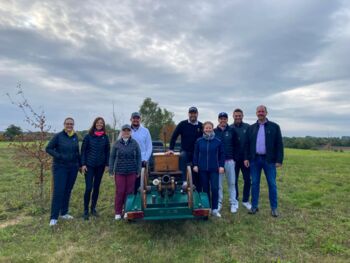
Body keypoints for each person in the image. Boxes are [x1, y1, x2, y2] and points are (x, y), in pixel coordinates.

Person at [244, 105, 284, 217]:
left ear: (266, 113)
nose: (260, 113)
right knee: (255, 183)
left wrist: (279, 160)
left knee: (272, 184)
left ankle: (274, 208)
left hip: (269, 160)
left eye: (262, 111)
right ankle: (254, 206)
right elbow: (247, 145)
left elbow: (279, 145)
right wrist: (246, 158)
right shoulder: (251, 128)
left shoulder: (275, 127)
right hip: (255, 160)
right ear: (256, 113)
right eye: (259, 111)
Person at [46, 117, 81, 226]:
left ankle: (64, 212)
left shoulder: (75, 137)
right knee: (59, 191)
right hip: (60, 167)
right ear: (64, 124)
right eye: (67, 124)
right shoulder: (58, 136)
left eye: (71, 124)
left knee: (68, 190)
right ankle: (54, 217)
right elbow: (48, 148)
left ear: (73, 125)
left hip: (73, 168)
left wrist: (79, 165)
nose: (69, 126)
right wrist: (59, 156)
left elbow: (76, 152)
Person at [109, 124, 141, 220]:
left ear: (130, 132)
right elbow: (112, 157)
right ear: (121, 132)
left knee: (129, 192)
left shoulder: (135, 143)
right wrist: (111, 170)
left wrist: (138, 169)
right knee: (120, 191)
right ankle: (118, 212)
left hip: (132, 171)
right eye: (124, 130)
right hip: (120, 171)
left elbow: (139, 156)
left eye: (128, 131)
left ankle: (127, 210)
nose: (126, 132)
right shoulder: (117, 144)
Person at [81, 117, 110, 220]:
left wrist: (107, 164)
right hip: (89, 166)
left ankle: (93, 208)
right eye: (98, 123)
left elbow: (107, 152)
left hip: (100, 166)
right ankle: (85, 210)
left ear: (103, 125)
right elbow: (83, 151)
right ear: (94, 124)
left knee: (96, 188)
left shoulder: (105, 137)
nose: (99, 124)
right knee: (89, 188)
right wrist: (83, 164)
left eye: (101, 123)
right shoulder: (88, 136)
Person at [193, 121, 225, 217]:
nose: (208, 129)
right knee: (205, 189)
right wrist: (195, 165)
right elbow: (195, 154)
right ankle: (208, 207)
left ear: (212, 128)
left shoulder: (218, 141)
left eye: (209, 128)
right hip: (202, 169)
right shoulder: (199, 141)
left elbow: (222, 154)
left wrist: (221, 166)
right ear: (203, 129)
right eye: (206, 128)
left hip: (214, 169)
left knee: (215, 188)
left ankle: (215, 209)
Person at [166, 107, 203, 188]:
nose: (193, 115)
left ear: (197, 114)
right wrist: (171, 149)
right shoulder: (182, 124)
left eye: (194, 113)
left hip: (196, 152)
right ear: (188, 114)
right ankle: (184, 181)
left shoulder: (201, 125)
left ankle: (198, 185)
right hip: (185, 150)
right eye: (191, 113)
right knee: (182, 156)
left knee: (198, 165)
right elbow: (174, 137)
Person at [214, 112, 239, 213]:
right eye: (221, 118)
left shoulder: (232, 130)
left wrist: (235, 159)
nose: (223, 120)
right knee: (219, 184)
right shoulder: (214, 131)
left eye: (224, 118)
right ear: (218, 120)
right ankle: (219, 203)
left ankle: (233, 203)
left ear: (227, 120)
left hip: (230, 161)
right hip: (218, 162)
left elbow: (237, 145)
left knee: (232, 183)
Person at [231, 108, 252, 211]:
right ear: (233, 116)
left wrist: (247, 157)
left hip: (245, 159)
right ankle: (235, 200)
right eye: (236, 116)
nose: (238, 117)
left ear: (242, 116)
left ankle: (245, 200)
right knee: (233, 181)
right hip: (234, 160)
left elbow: (250, 143)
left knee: (247, 180)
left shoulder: (248, 127)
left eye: (240, 115)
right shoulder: (230, 128)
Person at [129, 112, 152, 193]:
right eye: (134, 118)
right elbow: (119, 143)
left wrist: (145, 159)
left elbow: (149, 147)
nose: (136, 120)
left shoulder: (145, 131)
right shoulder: (126, 130)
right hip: (129, 160)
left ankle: (139, 201)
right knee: (130, 183)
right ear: (131, 119)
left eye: (137, 118)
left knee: (140, 183)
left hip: (142, 160)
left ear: (140, 119)